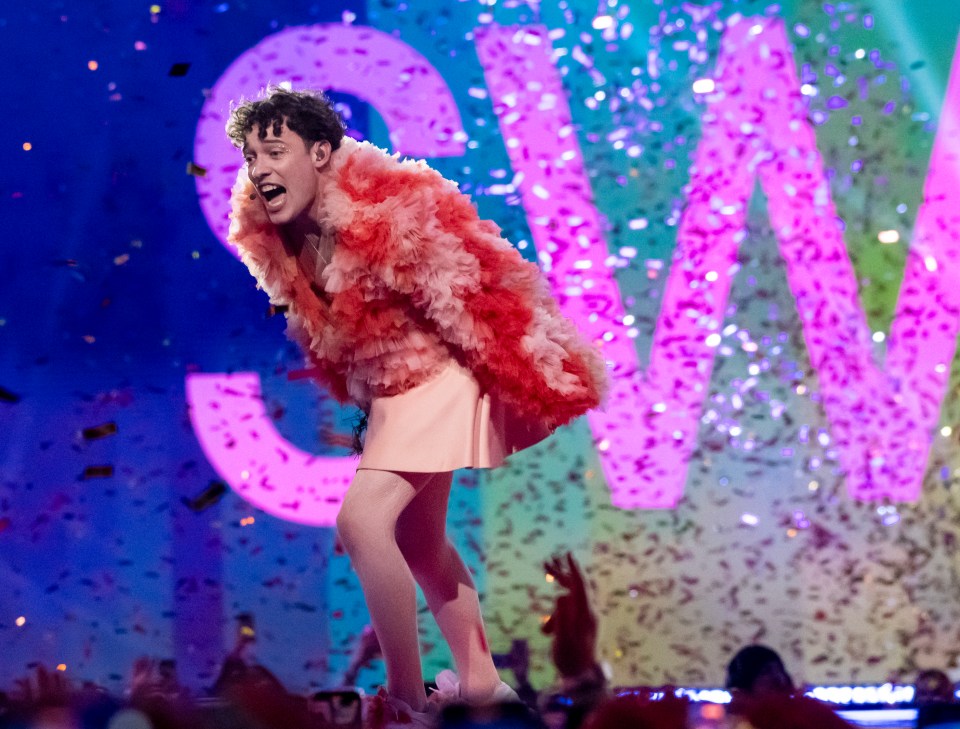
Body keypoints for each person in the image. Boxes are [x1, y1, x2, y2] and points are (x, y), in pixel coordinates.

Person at [225, 87, 608, 726]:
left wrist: (519, 371)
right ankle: (482, 682)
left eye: (274, 149)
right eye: (250, 155)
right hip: (392, 396)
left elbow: (474, 284)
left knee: (362, 523)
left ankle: (402, 696)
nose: (260, 166)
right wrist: (362, 413)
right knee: (419, 541)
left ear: (320, 152)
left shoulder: (388, 209)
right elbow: (339, 341)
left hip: (439, 378)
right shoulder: (282, 240)